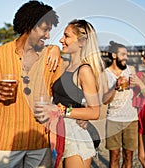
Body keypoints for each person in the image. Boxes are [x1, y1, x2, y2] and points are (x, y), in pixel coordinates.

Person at [0, 0, 61, 167]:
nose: (48, 36)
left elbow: (61, 98)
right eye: (45, 30)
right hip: (7, 142)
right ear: (29, 26)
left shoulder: (51, 58)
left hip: (40, 140)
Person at [35, 19, 105, 168]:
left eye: (66, 36)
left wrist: (61, 111)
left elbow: (95, 111)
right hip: (60, 132)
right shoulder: (66, 66)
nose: (61, 40)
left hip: (75, 135)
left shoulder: (84, 70)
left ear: (81, 41)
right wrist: (53, 47)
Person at [103, 41, 138, 168]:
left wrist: (138, 84)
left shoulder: (131, 70)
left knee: (128, 156)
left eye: (126, 54)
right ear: (113, 55)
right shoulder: (105, 74)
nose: (126, 57)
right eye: (123, 54)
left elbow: (141, 89)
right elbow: (105, 100)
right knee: (115, 156)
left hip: (131, 119)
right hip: (113, 119)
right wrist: (115, 86)